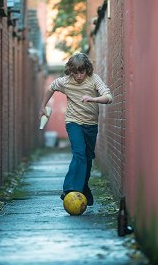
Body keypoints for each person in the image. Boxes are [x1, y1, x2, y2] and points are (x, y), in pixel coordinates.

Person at [39, 52, 113, 206]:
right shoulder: (65, 82)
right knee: (79, 153)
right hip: (73, 122)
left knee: (87, 158)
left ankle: (84, 188)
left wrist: (93, 98)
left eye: (82, 72)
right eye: (75, 72)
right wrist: (42, 107)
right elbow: (50, 88)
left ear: (87, 70)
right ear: (70, 71)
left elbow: (108, 97)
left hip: (91, 124)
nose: (79, 76)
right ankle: (70, 189)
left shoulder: (94, 79)